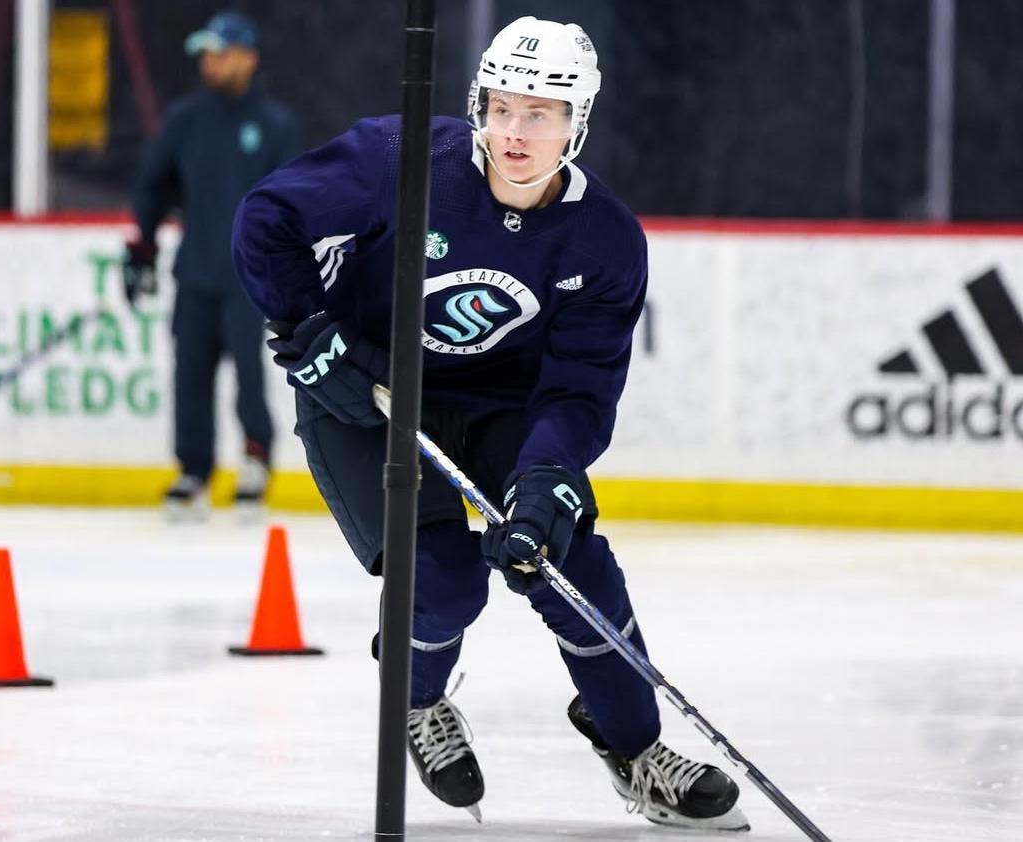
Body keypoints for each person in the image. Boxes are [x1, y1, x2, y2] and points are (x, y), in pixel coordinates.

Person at [232, 16, 748, 831]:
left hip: (505, 406)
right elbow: (266, 219)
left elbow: (579, 388)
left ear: (577, 121)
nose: (515, 132)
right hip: (366, 391)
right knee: (440, 579)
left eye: (540, 114)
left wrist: (545, 478)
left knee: (570, 560)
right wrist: (311, 327)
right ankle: (417, 698)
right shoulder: (404, 160)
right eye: (502, 107)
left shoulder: (604, 240)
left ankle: (637, 747)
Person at [124, 10, 302, 518]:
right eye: (205, 54)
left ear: (248, 58)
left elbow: (296, 199)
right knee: (191, 376)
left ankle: (256, 458)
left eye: (220, 53)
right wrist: (142, 247)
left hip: (250, 280)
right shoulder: (185, 120)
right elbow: (153, 183)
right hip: (196, 272)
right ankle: (193, 469)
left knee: (250, 374)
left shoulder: (275, 125)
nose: (210, 62)